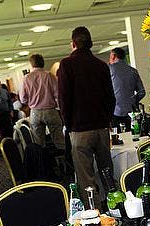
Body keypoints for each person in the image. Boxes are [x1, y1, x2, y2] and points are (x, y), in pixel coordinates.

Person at [58, 26, 115, 205]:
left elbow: (64, 99)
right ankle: (115, 206)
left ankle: (95, 212)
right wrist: (107, 119)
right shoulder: (101, 65)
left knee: (86, 177)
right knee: (107, 171)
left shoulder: (66, 64)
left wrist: (68, 125)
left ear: (73, 43)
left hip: (80, 129)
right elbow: (111, 98)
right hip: (101, 127)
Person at [20, 53, 65, 150]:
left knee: (38, 143)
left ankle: (43, 163)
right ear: (43, 62)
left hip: (35, 112)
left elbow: (23, 99)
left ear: (31, 65)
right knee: (59, 140)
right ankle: (62, 162)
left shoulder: (26, 78)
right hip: (50, 111)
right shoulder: (49, 75)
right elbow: (57, 94)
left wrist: (32, 101)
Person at [108, 47, 145, 131]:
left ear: (113, 56)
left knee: (117, 138)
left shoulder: (109, 69)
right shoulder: (133, 71)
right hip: (131, 112)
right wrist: (132, 101)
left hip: (114, 112)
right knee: (134, 136)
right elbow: (142, 92)